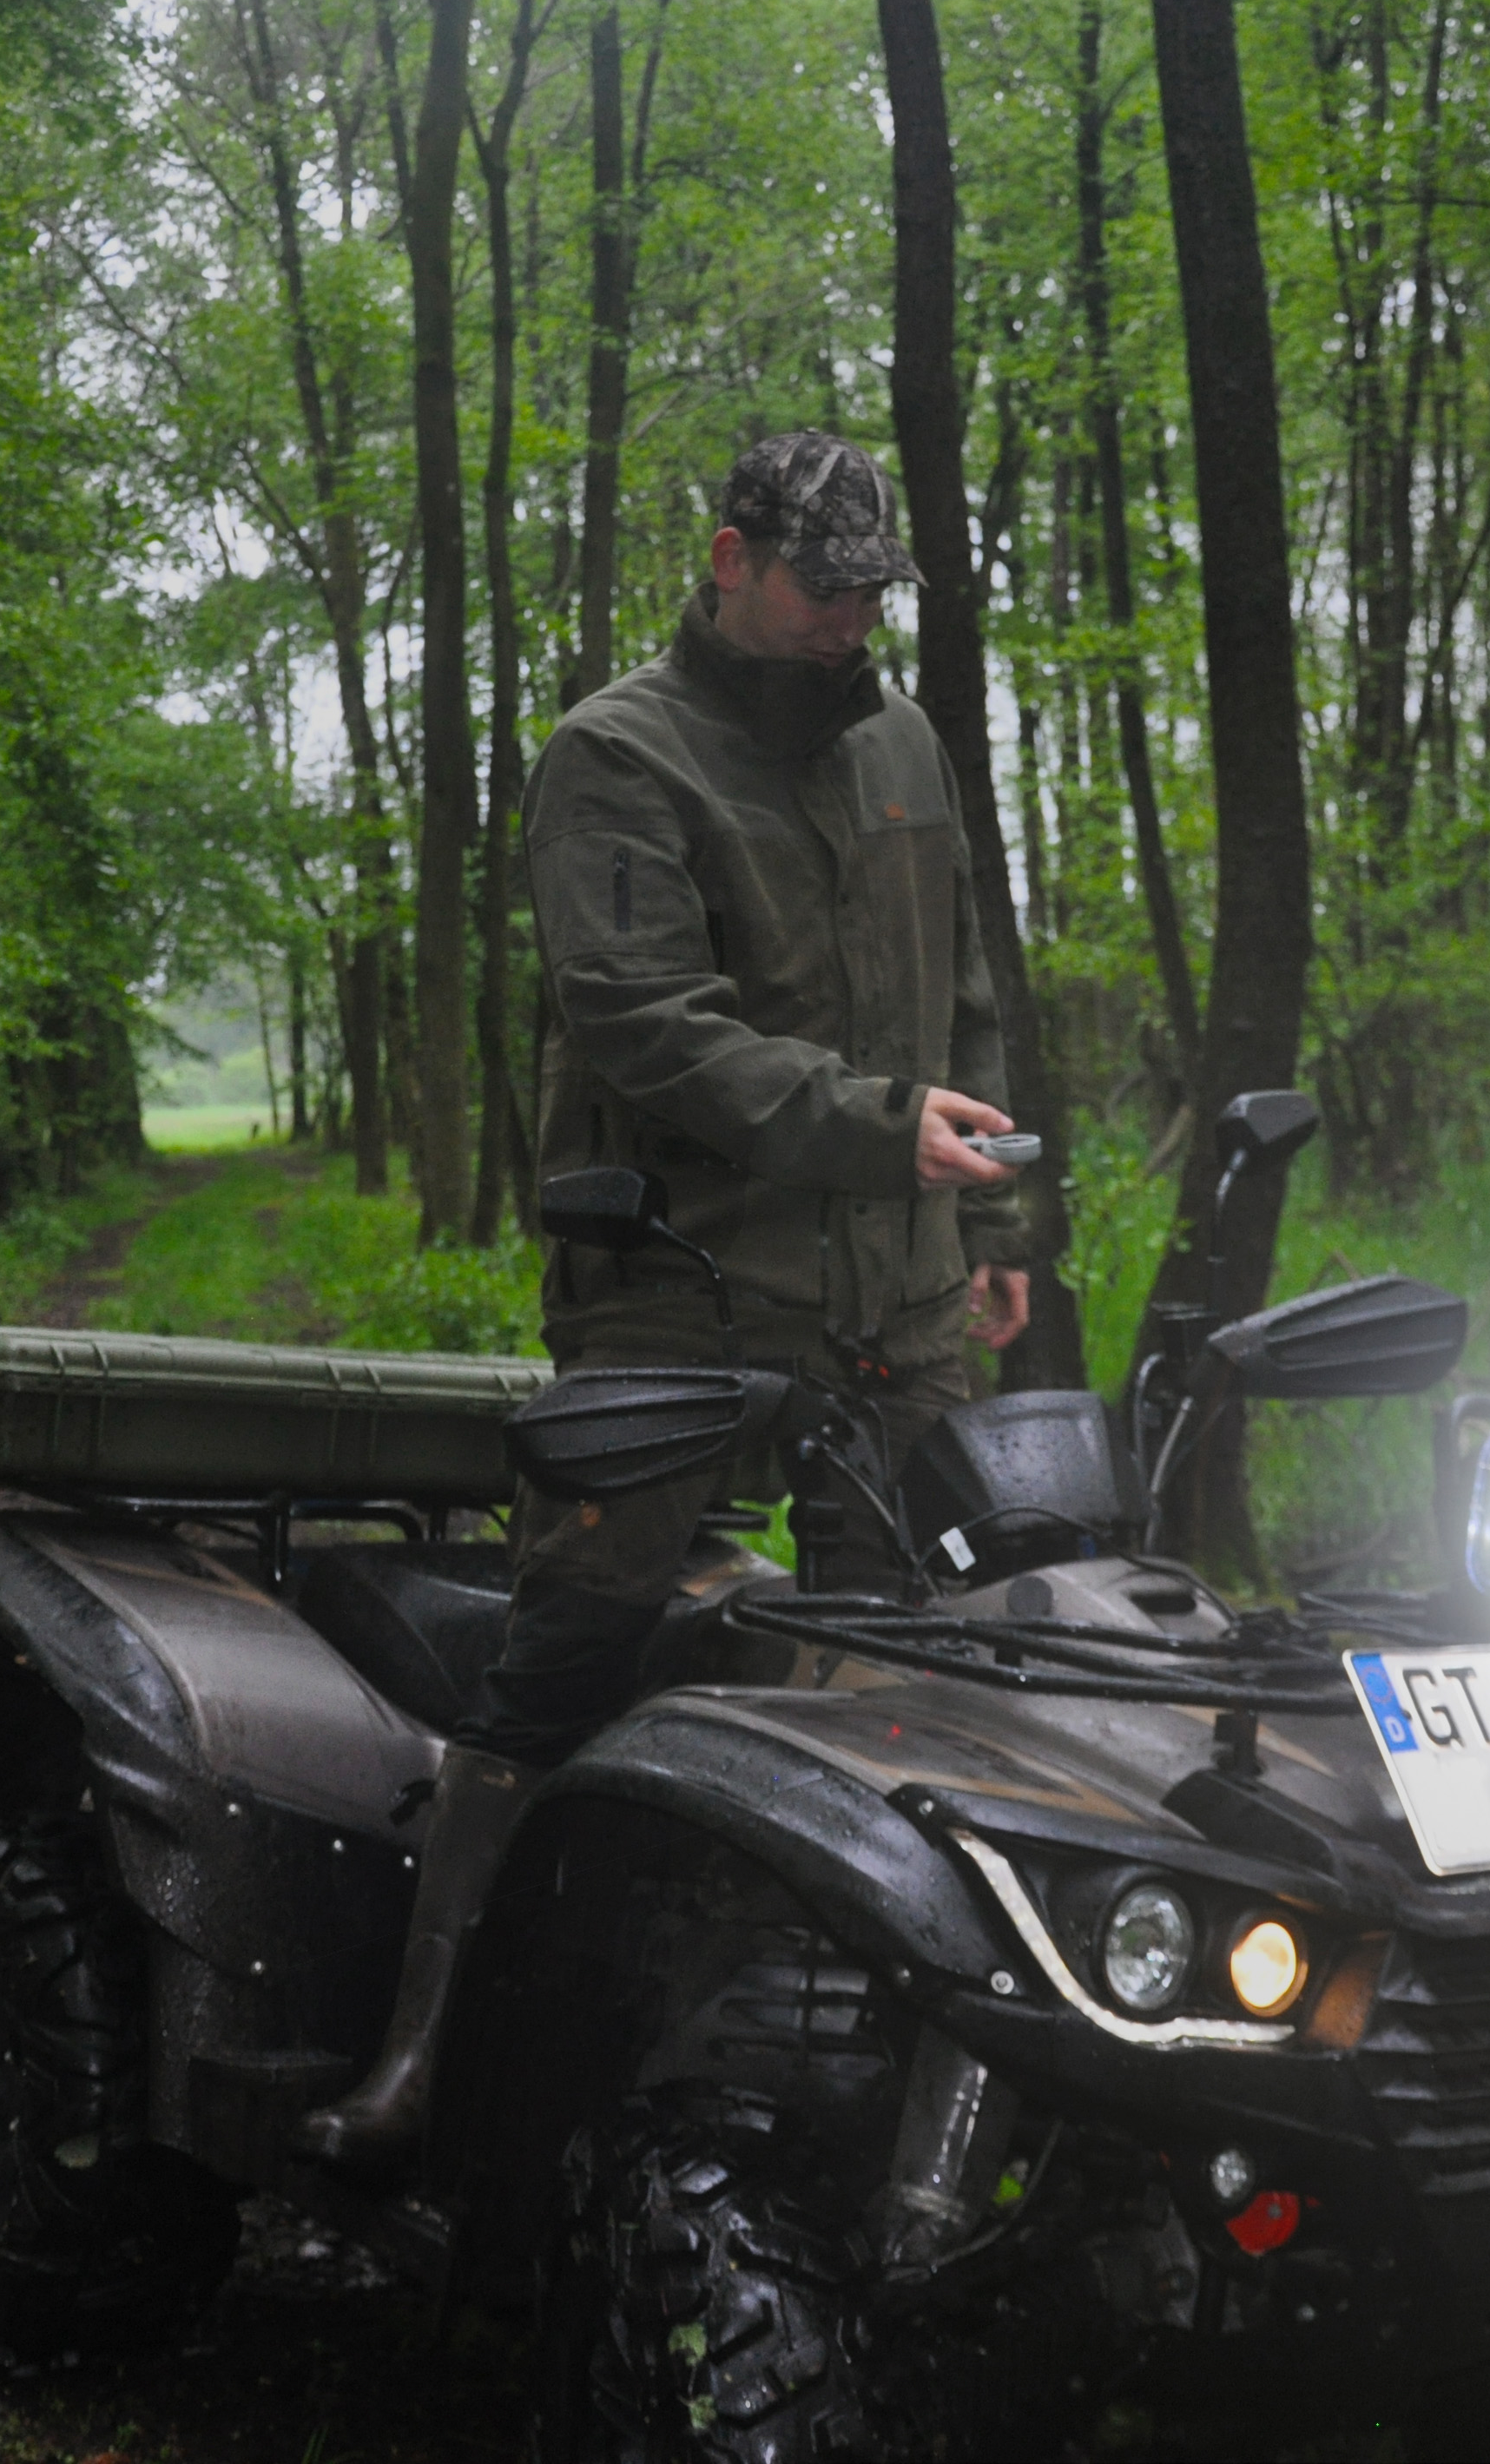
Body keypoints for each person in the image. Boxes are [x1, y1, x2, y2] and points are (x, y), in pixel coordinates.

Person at [296, 431, 1032, 2171]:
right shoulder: (616, 754)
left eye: (870, 593)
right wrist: (877, 1127)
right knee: (567, 1649)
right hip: (675, 1297)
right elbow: (642, 1022)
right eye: (820, 587)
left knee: (924, 1666)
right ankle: (427, 2055)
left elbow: (967, 990)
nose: (848, 620)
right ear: (727, 558)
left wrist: (1002, 1208)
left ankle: (893, 2096)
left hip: (903, 1298)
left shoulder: (904, 744)